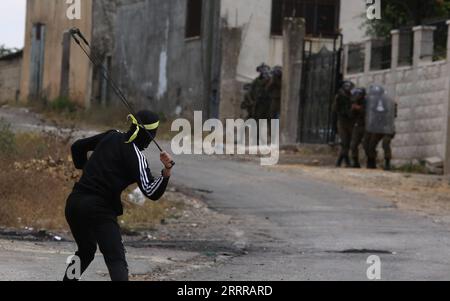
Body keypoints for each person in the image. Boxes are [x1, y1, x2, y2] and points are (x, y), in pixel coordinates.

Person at [63, 110, 174, 281]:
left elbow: (77, 147)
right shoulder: (136, 156)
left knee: (85, 252)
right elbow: (151, 192)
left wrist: (85, 170)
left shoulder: (111, 135)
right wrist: (166, 172)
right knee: (116, 260)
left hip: (75, 203)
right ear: (150, 136)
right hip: (100, 209)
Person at [364, 85, 397, 170]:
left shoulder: (389, 102)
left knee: (385, 143)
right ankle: (371, 162)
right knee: (371, 144)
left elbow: (393, 114)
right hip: (377, 126)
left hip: (387, 126)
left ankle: (387, 163)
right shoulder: (374, 102)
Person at [333, 81, 355, 168]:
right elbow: (335, 109)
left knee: (348, 143)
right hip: (342, 121)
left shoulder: (352, 96)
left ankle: (342, 162)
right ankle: (343, 162)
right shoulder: (339, 97)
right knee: (345, 142)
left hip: (350, 122)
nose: (349, 88)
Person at [349, 88, 367, 168]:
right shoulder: (355, 102)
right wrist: (353, 109)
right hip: (358, 125)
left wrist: (359, 108)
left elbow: (368, 112)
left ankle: (371, 161)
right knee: (353, 145)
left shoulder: (367, 102)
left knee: (367, 145)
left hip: (367, 126)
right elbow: (351, 116)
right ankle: (355, 162)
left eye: (360, 94)